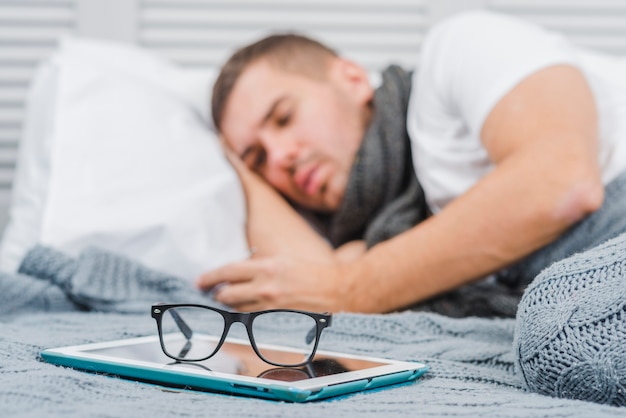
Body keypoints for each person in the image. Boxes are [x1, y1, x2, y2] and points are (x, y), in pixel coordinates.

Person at [197, 10, 626, 315]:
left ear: (351, 78)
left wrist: (353, 287)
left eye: (284, 117)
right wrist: (238, 170)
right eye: (260, 159)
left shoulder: (459, 46)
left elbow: (561, 180)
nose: (281, 158)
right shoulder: (389, 231)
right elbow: (303, 288)